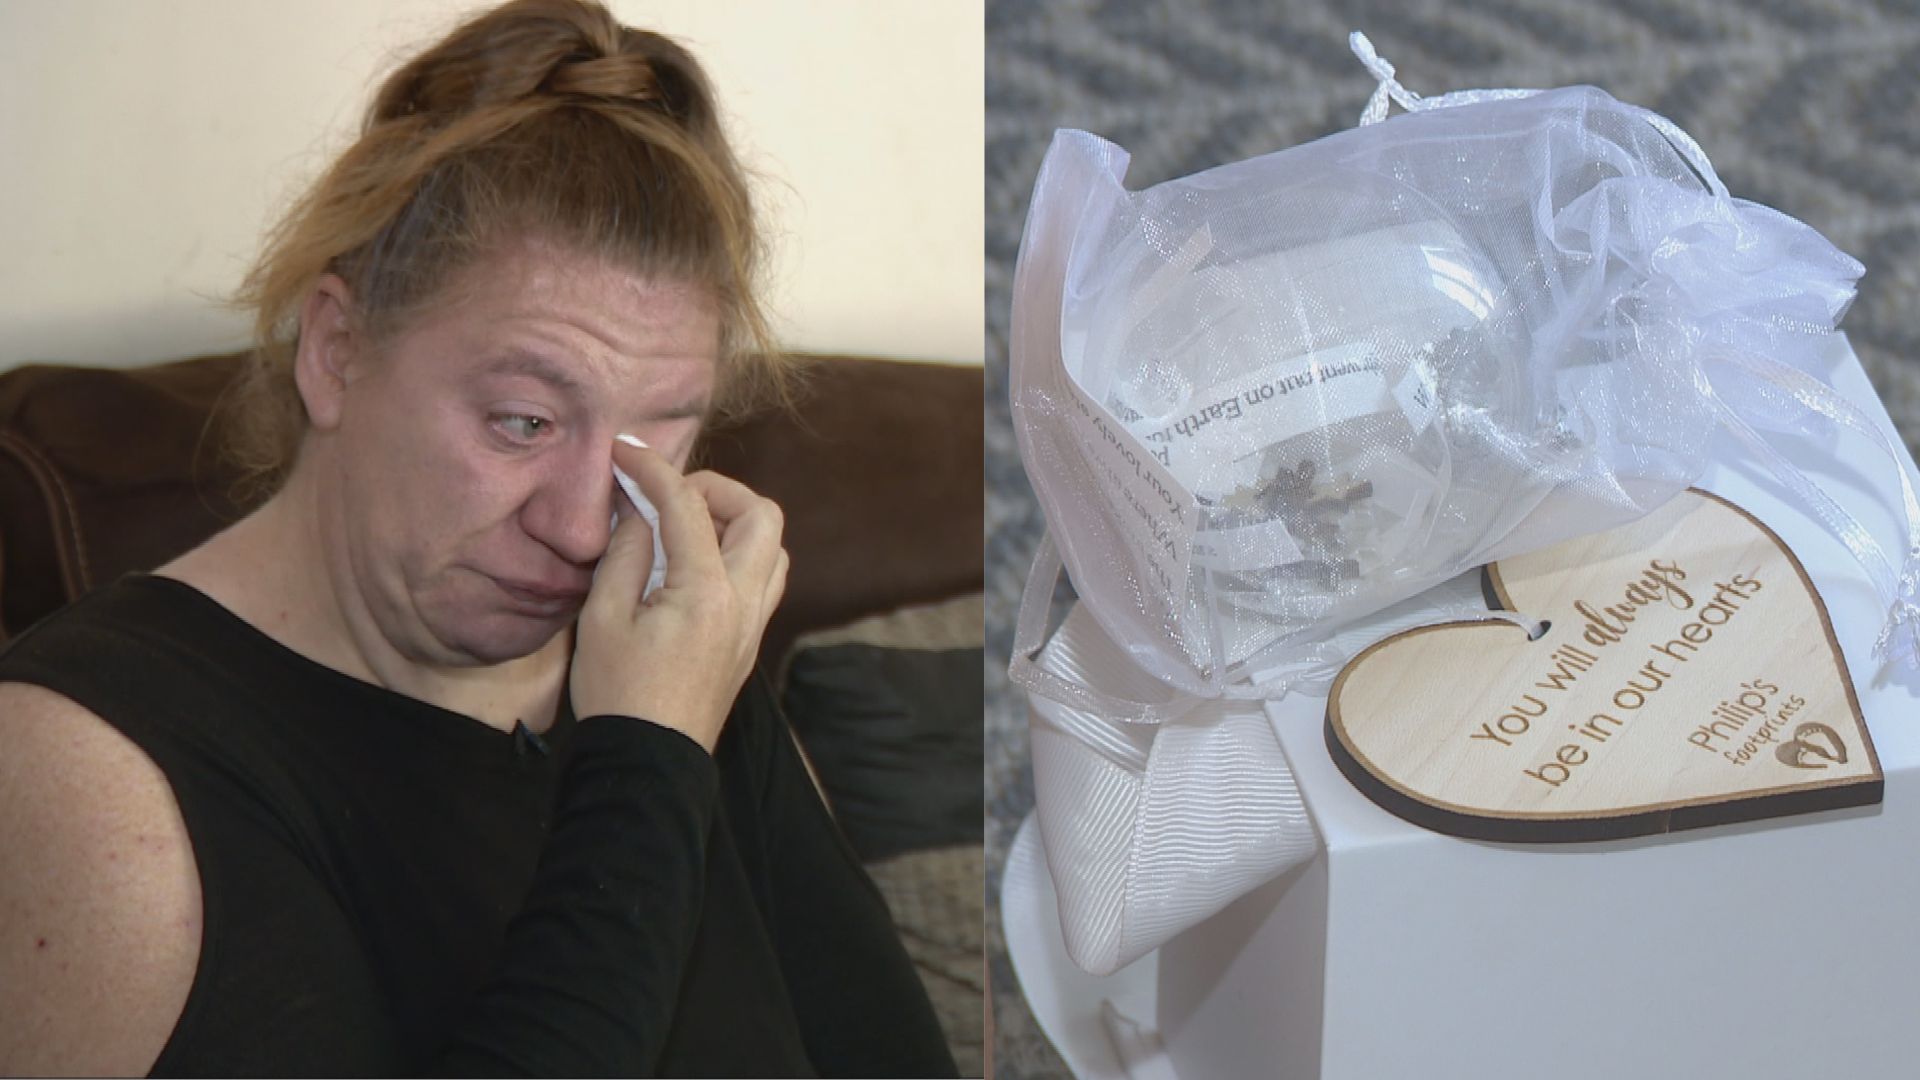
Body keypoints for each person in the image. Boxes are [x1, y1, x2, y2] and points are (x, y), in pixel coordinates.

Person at [0, 1, 957, 1075]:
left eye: (650, 437)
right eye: (523, 422)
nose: (584, 528)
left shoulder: (672, 667)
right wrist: (646, 763)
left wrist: (669, 727)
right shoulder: (83, 773)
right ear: (335, 350)